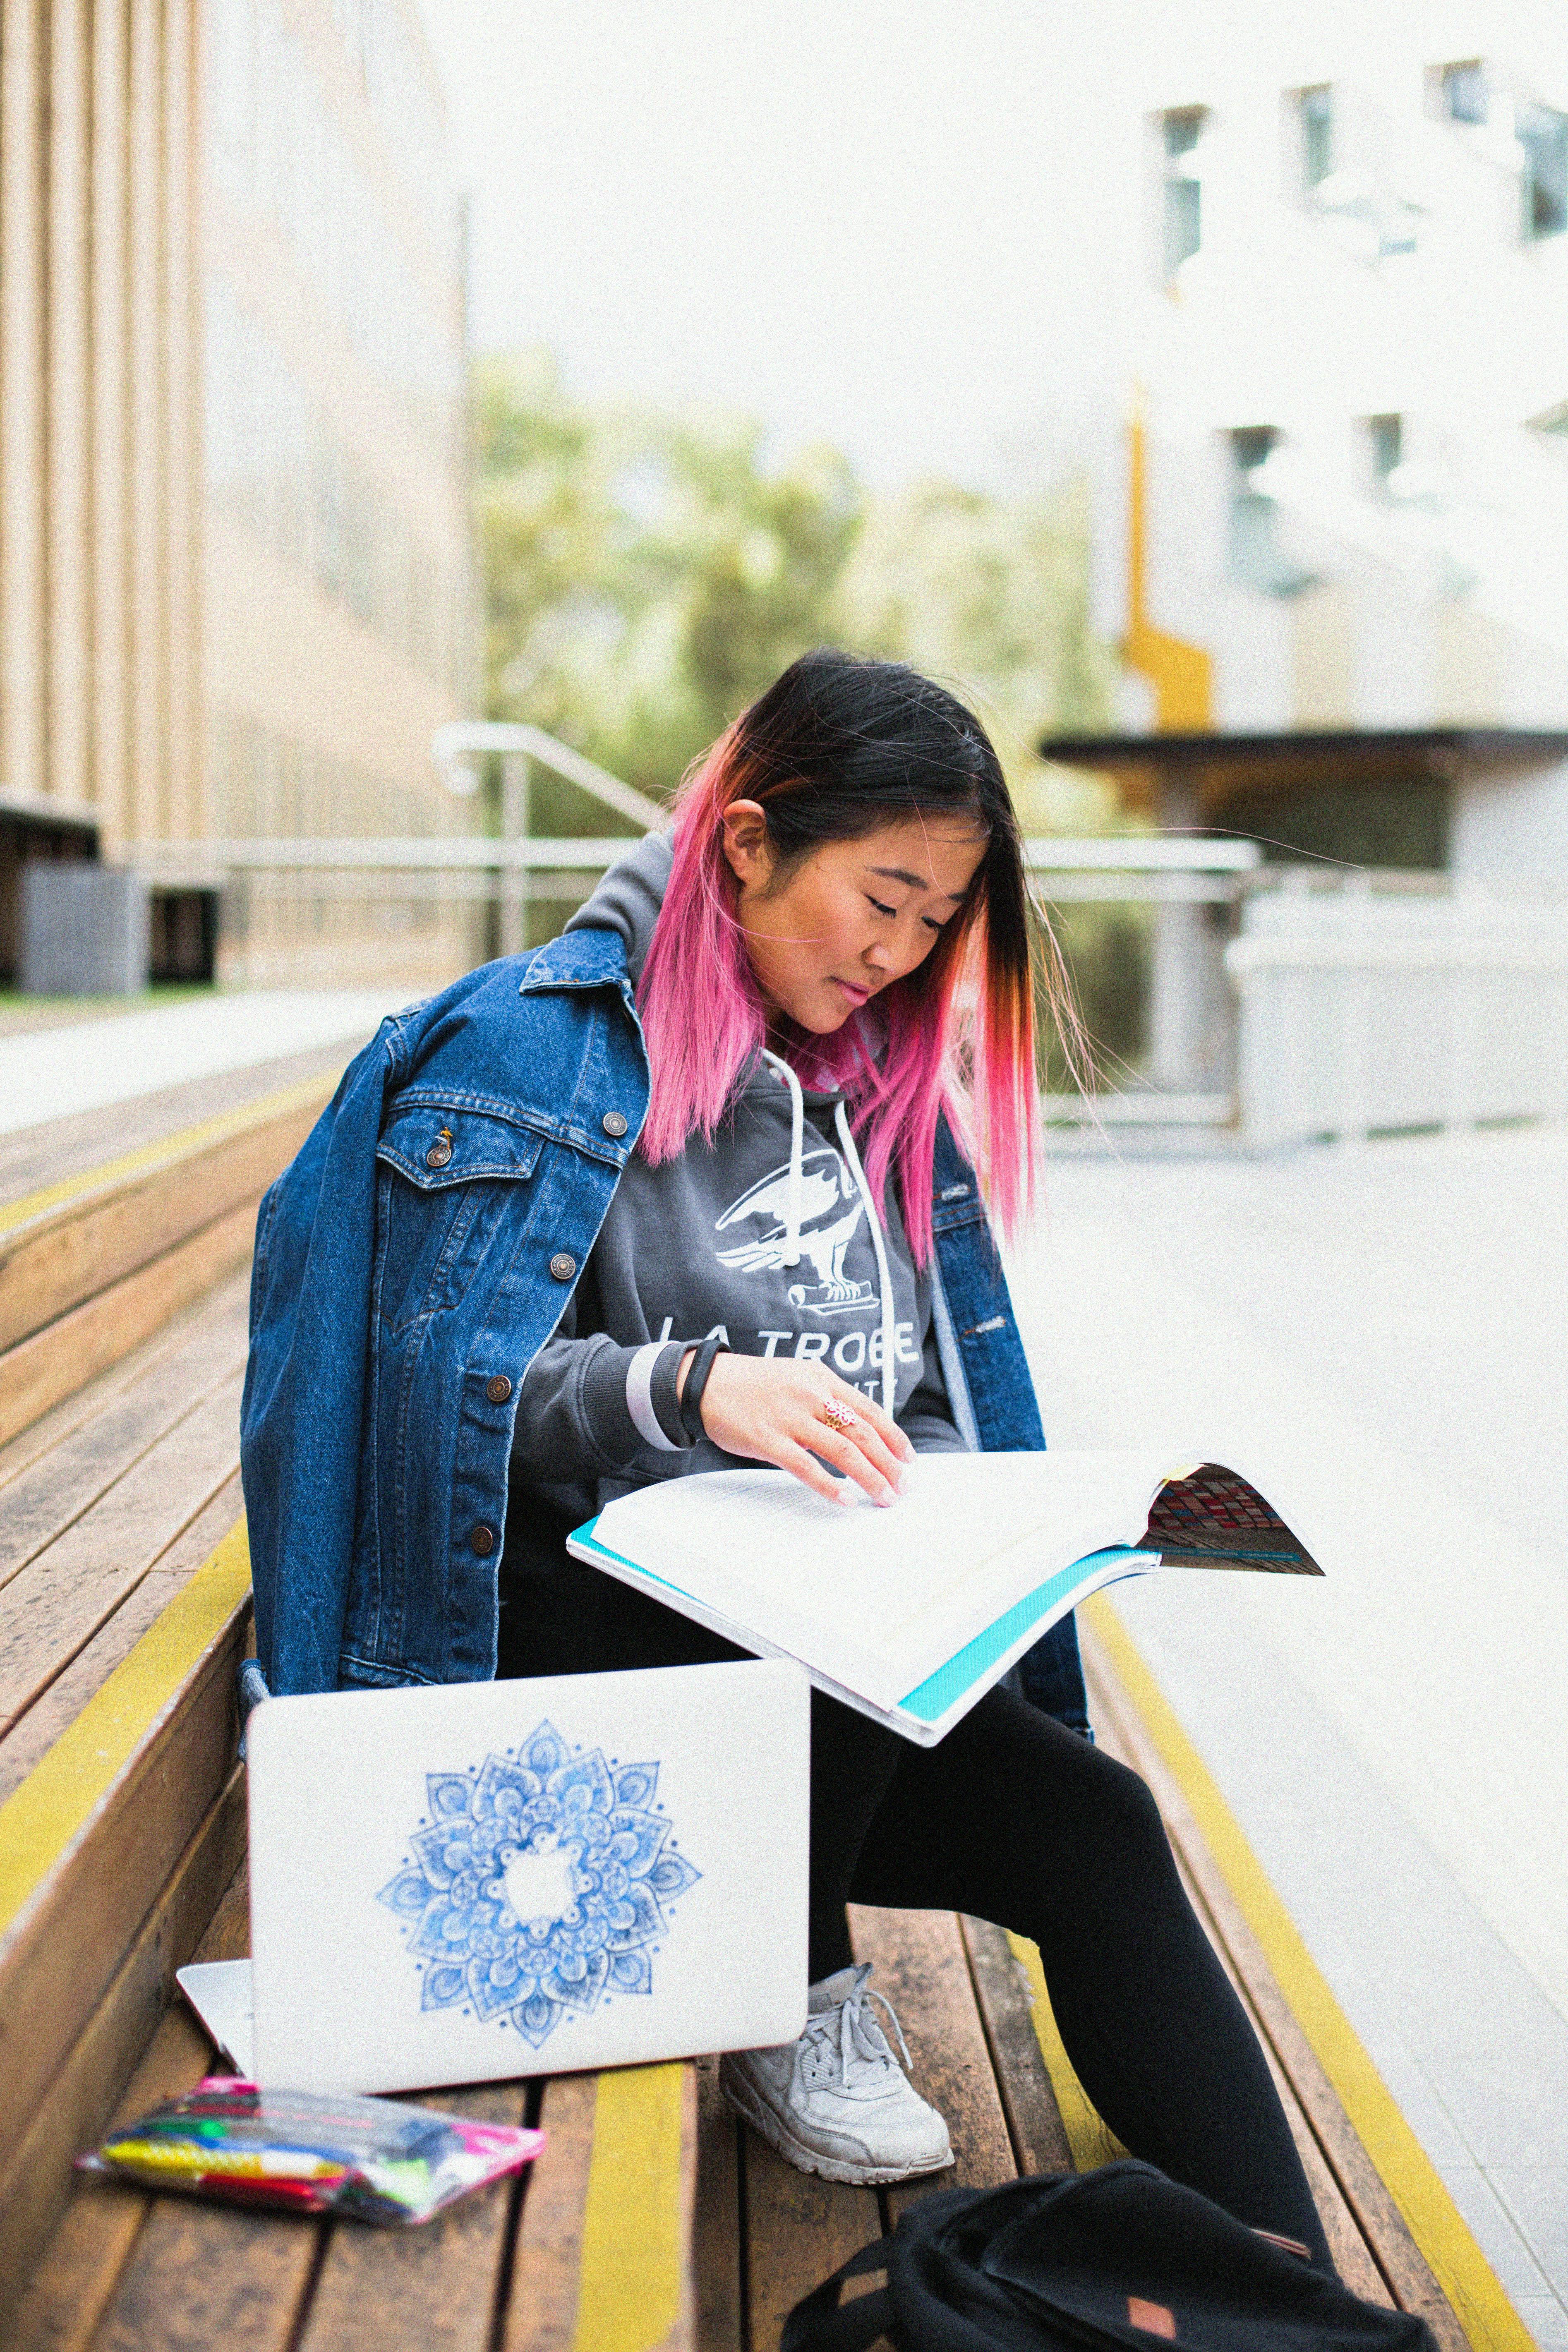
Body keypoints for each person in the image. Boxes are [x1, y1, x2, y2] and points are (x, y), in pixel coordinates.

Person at [242, 651, 1329, 2265]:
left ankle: (1305, 2303)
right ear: (746, 842)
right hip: (578, 1675)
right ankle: (789, 1968)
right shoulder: (530, 1059)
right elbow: (445, 1403)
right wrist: (691, 1391)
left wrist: (987, 1512)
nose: (898, 956)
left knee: (1097, 1824)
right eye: (881, 897)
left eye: (935, 922)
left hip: (831, 1694)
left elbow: (919, 1394)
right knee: (797, 1615)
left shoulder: (883, 1084)